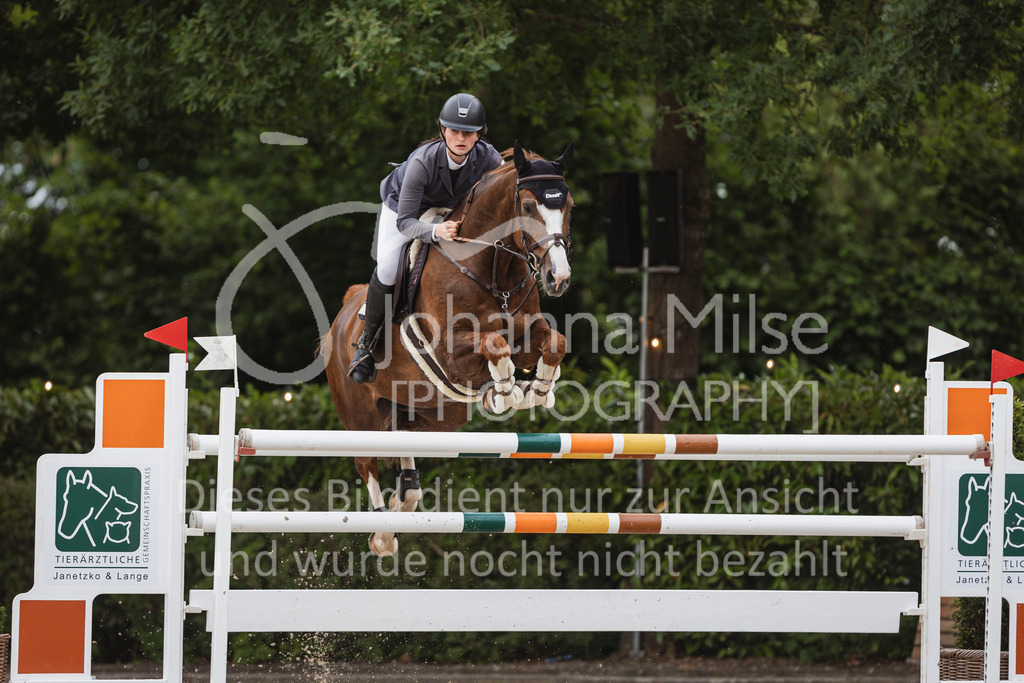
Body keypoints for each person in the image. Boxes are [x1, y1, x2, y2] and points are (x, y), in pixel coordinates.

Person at [348, 93, 504, 383]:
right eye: (454, 131)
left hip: (450, 210)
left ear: (479, 135)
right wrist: (434, 231)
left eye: (468, 133)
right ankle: (366, 346)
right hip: (404, 210)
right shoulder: (422, 162)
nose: (461, 138)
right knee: (388, 268)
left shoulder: (490, 158)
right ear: (443, 130)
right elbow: (405, 222)